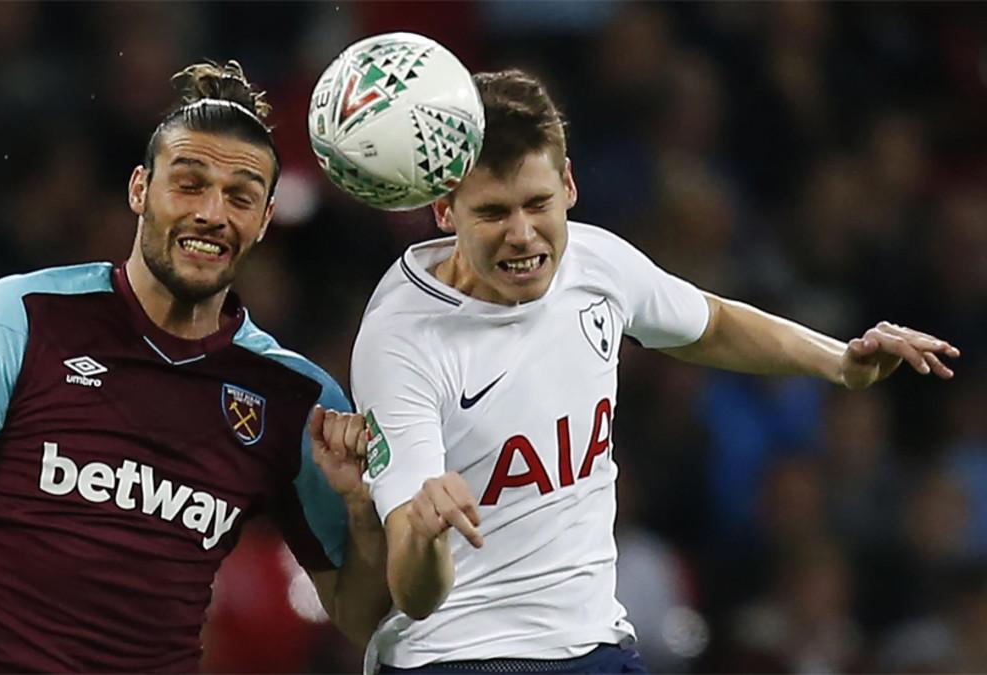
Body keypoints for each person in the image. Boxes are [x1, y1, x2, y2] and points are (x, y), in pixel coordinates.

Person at [350, 69, 960, 674]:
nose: (521, 234)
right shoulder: (402, 341)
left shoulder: (596, 264)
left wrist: (838, 362)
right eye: (492, 212)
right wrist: (427, 538)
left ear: (568, 185)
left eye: (538, 204)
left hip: (596, 647)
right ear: (443, 210)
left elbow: (711, 323)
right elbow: (414, 593)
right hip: (462, 656)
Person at [0, 60, 390, 673]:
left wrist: (362, 511)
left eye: (240, 196)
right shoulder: (22, 319)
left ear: (262, 221)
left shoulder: (294, 398)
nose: (211, 212)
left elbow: (362, 618)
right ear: (138, 190)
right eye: (188, 183)